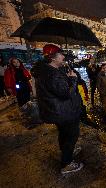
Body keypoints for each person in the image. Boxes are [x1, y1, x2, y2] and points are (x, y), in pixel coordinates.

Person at [32, 44, 83, 174]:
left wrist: (69, 75)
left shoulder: (49, 70)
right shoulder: (52, 74)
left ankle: (67, 151)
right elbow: (66, 93)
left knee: (64, 133)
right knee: (71, 135)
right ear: (53, 58)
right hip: (64, 112)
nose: (63, 56)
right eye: (61, 54)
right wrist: (73, 80)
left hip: (57, 110)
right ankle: (67, 163)